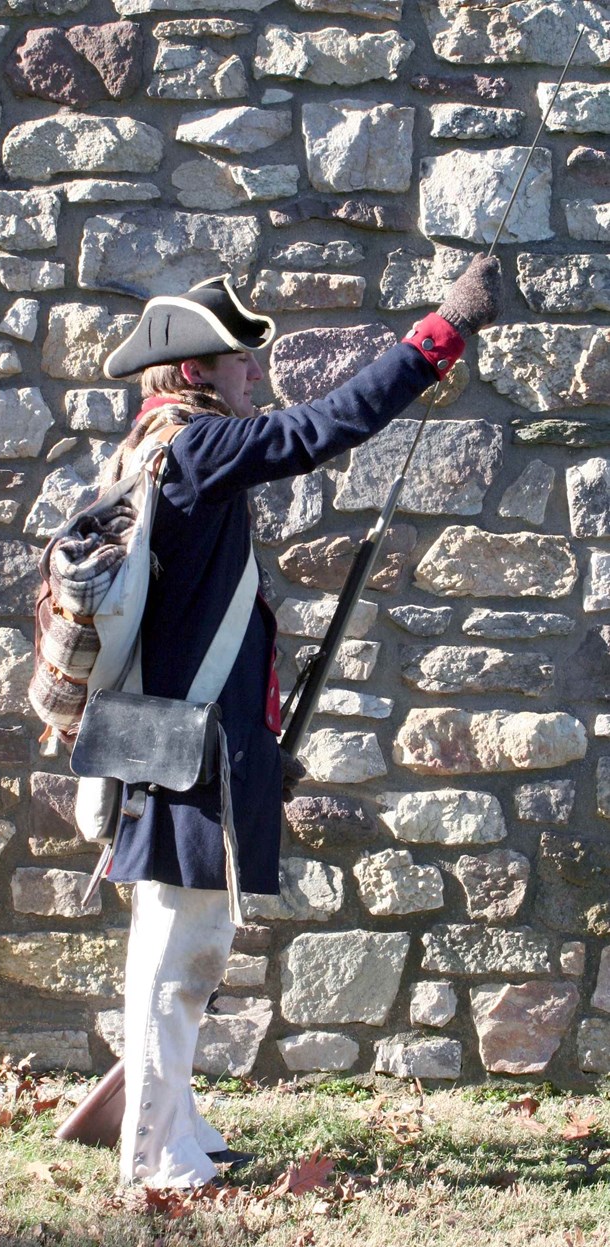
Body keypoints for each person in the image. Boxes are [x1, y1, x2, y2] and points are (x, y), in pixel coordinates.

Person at [99, 257, 502, 1191]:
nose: (256, 376)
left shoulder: (156, 446)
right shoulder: (196, 445)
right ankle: (155, 1156)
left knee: (178, 947)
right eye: (240, 363)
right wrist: (438, 333)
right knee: (179, 953)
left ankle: (178, 1129)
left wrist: (258, 740)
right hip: (184, 744)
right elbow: (329, 426)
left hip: (179, 735)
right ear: (196, 371)